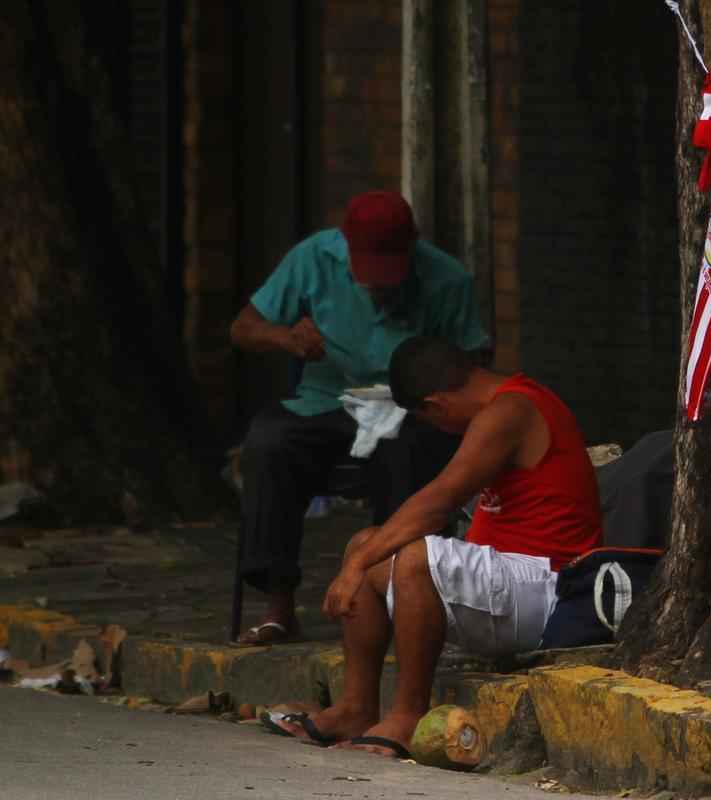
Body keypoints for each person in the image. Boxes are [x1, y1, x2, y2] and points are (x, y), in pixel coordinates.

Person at [272, 337, 603, 756]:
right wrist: (359, 559)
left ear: (436, 406)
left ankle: (408, 716)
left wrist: (355, 568)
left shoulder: (511, 409)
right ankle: (356, 708)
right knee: (365, 542)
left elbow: (439, 502)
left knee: (411, 559)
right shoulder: (501, 405)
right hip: (507, 585)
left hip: (550, 591)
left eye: (430, 421)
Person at [229, 192, 491, 645]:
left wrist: (433, 372)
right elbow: (243, 328)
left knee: (414, 452)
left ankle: (393, 599)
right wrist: (286, 338)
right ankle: (278, 606)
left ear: (414, 248)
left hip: (409, 407)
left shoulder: (447, 280)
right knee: (270, 441)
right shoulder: (312, 258)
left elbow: (476, 359)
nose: (378, 286)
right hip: (328, 399)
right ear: (344, 246)